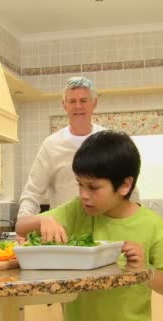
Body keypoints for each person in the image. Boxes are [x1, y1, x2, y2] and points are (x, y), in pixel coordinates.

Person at [16, 130, 163, 321]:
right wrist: (42, 220)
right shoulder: (77, 211)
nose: (84, 195)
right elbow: (21, 227)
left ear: (124, 185)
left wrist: (145, 271)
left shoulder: (153, 225)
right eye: (80, 184)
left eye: (94, 187)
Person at [17, 76, 139, 218]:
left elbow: (130, 191)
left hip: (107, 229)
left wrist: (137, 222)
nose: (78, 106)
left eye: (83, 100)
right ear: (64, 105)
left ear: (94, 103)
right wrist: (23, 222)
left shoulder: (109, 141)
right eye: (72, 101)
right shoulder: (51, 145)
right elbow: (32, 192)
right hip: (65, 231)